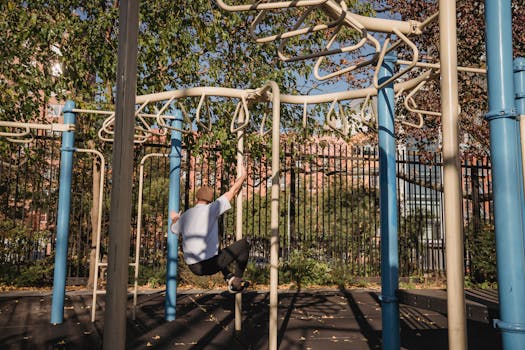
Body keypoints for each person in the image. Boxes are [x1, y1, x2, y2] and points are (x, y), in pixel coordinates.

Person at [170, 171, 250, 293]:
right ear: (210, 201)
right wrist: (244, 176)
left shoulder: (186, 215)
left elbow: (173, 229)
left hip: (193, 266)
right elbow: (233, 191)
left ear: (197, 199)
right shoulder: (212, 209)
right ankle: (237, 283)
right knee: (244, 245)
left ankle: (229, 277)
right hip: (208, 264)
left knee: (216, 249)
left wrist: (176, 218)